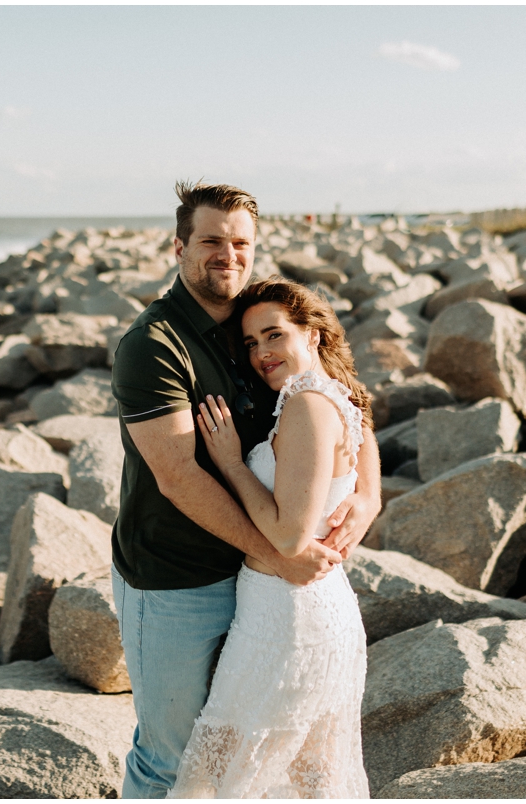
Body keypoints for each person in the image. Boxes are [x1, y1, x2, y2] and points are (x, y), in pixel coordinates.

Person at [110, 182, 382, 798]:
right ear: (179, 246)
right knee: (174, 758)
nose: (227, 255)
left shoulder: (258, 319)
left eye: (240, 243)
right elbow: (178, 476)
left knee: (257, 760)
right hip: (177, 580)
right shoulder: (153, 346)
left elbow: (341, 397)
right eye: (210, 241)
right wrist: (283, 550)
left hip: (264, 586)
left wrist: (366, 497)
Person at [169, 277, 374, 797]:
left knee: (210, 779)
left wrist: (233, 464)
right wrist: (369, 494)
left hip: (285, 622)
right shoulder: (331, 394)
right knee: (309, 777)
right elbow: (361, 438)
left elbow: (288, 537)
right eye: (252, 343)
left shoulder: (307, 405)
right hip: (312, 609)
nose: (261, 353)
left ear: (314, 335)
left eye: (274, 335)